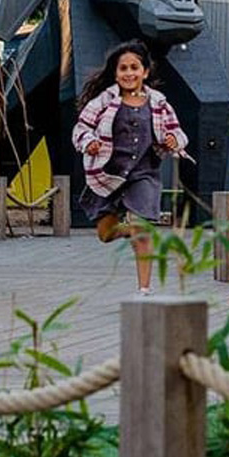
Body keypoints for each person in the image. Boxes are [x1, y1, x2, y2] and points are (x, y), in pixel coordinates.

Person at [71, 40, 189, 293]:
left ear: (145, 72)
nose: (129, 73)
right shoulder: (104, 101)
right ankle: (128, 229)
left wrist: (173, 141)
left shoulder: (158, 103)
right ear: (115, 73)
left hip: (143, 174)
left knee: (143, 230)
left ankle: (144, 290)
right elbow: (81, 129)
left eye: (134, 67)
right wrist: (89, 142)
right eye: (123, 68)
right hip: (108, 173)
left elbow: (178, 133)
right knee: (105, 234)